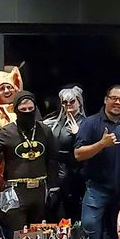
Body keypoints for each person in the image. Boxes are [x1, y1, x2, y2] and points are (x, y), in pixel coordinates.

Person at [75, 85, 120, 239]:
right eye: (114, 98)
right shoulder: (90, 123)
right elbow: (78, 154)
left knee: (119, 233)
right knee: (89, 228)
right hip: (97, 189)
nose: (117, 102)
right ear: (106, 100)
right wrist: (102, 144)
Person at [0, 91, 58, 237]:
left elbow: (53, 159)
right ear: (16, 110)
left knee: (37, 237)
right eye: (23, 109)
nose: (27, 112)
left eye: (30, 109)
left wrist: (54, 187)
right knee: (17, 237)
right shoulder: (6, 132)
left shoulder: (45, 130)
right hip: (15, 191)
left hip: (39, 190)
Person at [44, 85, 85, 221]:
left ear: (79, 102)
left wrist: (78, 134)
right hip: (54, 169)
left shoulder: (85, 123)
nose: (68, 105)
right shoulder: (56, 121)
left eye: (72, 101)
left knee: (71, 209)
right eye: (64, 102)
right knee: (52, 208)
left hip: (74, 170)